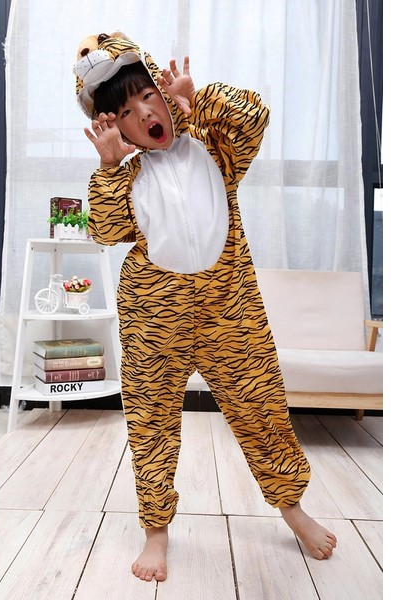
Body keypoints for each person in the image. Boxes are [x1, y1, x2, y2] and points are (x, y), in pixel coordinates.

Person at [74, 31, 337, 582]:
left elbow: (256, 117)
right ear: (117, 128)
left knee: (261, 407)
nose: (144, 113)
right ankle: (156, 532)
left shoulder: (214, 146)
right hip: (153, 312)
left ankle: (294, 510)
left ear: (164, 93)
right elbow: (106, 231)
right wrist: (109, 168)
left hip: (228, 304)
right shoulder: (128, 175)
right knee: (150, 422)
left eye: (148, 95)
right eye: (126, 113)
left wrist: (199, 98)